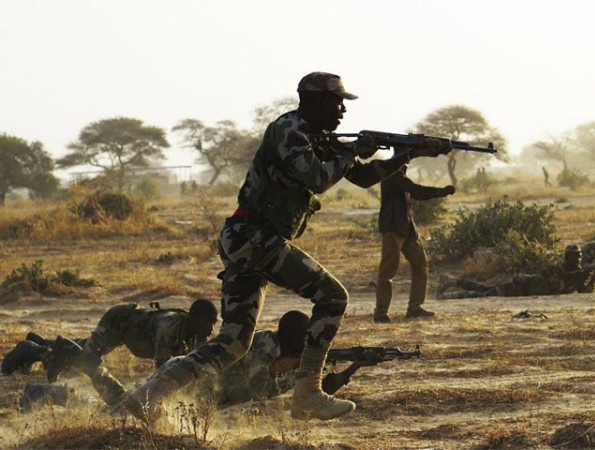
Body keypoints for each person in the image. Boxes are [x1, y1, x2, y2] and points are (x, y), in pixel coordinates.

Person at [124, 71, 451, 422]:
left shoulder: (317, 137)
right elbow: (319, 179)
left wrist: (406, 155)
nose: (343, 110)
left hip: (247, 239)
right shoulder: (290, 131)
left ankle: (148, 394)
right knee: (333, 297)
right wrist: (352, 150)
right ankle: (307, 393)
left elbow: (362, 177)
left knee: (233, 343)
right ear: (315, 101)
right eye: (337, 102)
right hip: (254, 237)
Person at [19, 311, 372, 412]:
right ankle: (55, 381)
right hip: (184, 386)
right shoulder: (266, 345)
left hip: (192, 393)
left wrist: (346, 372)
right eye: (303, 337)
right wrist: (294, 375)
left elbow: (282, 388)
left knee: (120, 407)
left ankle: (60, 380)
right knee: (121, 411)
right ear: (291, 334)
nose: (307, 344)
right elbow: (258, 389)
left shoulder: (278, 351)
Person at [2, 298, 218, 406]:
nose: (211, 329)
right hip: (119, 322)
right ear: (196, 319)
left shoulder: (194, 333)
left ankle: (42, 342)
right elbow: (163, 372)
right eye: (209, 323)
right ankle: (35, 350)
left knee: (82, 349)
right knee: (82, 360)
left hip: (131, 331)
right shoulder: (168, 329)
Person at [374, 165, 455, 322]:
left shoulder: (399, 172)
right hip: (393, 227)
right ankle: (380, 313)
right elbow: (416, 191)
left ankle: (415, 308)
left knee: (421, 264)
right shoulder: (391, 173)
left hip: (407, 227)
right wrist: (442, 192)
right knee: (388, 271)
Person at [437, 245, 595, 299]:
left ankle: (455, 283)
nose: (578, 258)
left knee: (486, 289)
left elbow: (584, 291)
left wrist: (590, 278)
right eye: (575, 256)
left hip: (526, 292)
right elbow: (555, 287)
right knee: (486, 293)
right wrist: (574, 277)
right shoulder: (558, 267)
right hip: (522, 285)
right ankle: (451, 293)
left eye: (579, 256)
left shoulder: (576, 272)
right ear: (568, 256)